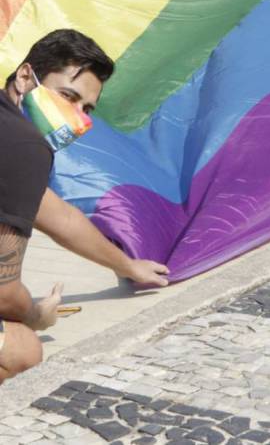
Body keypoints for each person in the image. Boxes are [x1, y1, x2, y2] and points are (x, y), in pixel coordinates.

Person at [0, 29, 169, 382]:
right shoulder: (25, 145)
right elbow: (3, 293)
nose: (77, 116)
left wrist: (128, 265)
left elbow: (59, 215)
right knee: (23, 349)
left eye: (86, 108)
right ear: (26, 77)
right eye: (67, 96)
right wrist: (35, 314)